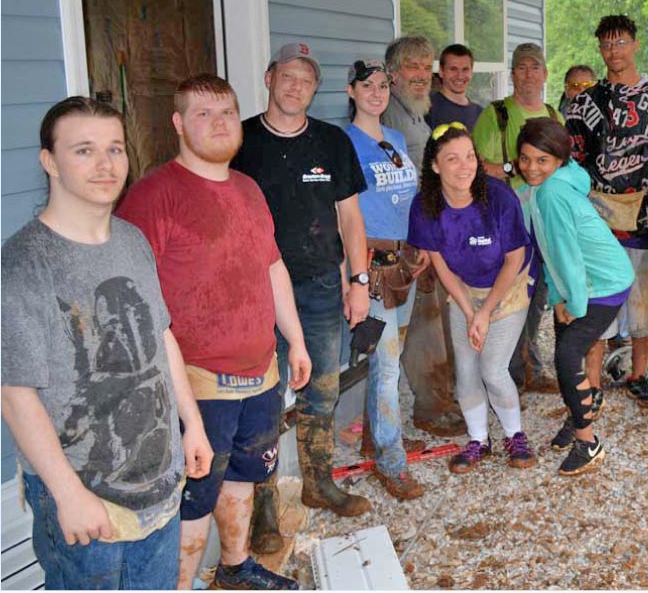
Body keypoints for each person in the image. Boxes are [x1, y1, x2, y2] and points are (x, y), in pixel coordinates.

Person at [1, 97, 212, 590]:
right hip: (85, 494)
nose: (105, 164)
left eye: (115, 149)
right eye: (84, 150)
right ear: (49, 161)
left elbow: (162, 338)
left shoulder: (132, 241)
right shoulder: (24, 265)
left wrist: (193, 424)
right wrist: (67, 493)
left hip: (158, 484)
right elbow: (14, 394)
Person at [118, 74, 311, 590]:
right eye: (203, 114)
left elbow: (272, 268)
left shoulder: (247, 189)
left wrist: (294, 339)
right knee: (193, 497)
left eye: (226, 111)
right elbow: (136, 300)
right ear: (179, 124)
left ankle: (235, 566)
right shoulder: (153, 196)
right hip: (197, 381)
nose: (219, 122)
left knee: (246, 478)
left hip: (260, 371)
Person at [231, 43, 372, 552]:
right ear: (269, 78)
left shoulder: (332, 142)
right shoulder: (240, 141)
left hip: (318, 286)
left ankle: (318, 483)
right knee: (262, 400)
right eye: (287, 76)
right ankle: (263, 509)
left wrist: (359, 282)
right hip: (254, 290)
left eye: (306, 80)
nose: (295, 87)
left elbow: (351, 217)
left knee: (324, 389)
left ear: (316, 89)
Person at [408, 122, 537, 473]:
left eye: (469, 157)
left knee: (492, 369)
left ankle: (515, 434)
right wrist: (468, 311)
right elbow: (441, 266)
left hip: (507, 286)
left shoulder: (498, 197)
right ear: (435, 166)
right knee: (466, 371)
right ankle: (479, 439)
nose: (464, 166)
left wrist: (485, 312)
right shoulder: (425, 206)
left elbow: (514, 259)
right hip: (464, 288)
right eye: (452, 159)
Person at [566, 14, 648, 411]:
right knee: (597, 299)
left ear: (634, 43)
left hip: (643, 217)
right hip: (596, 218)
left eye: (621, 42)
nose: (614, 51)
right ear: (600, 48)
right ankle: (592, 382)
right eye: (606, 44)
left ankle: (638, 373)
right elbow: (572, 162)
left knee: (642, 299)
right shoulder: (583, 102)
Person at [516, 118, 635, 475]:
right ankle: (579, 409)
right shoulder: (543, 189)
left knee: (567, 356)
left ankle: (588, 442)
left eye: (542, 160)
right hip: (578, 283)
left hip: (604, 283)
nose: (531, 168)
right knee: (564, 352)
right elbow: (550, 252)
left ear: (559, 161)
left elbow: (566, 253)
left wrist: (575, 306)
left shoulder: (552, 193)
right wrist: (557, 298)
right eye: (525, 159)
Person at [344, 59, 429, 500]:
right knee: (387, 364)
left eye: (382, 86)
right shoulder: (345, 143)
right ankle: (391, 460)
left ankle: (376, 438)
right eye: (367, 86)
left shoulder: (394, 139)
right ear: (351, 91)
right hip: (373, 266)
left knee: (387, 359)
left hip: (404, 261)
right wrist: (352, 273)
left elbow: (409, 200)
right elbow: (344, 213)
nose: (376, 93)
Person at [383, 35, 468, 439]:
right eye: (411, 67)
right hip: (406, 241)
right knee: (425, 327)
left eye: (424, 67)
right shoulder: (388, 116)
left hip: (427, 231)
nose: (420, 75)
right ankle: (431, 409)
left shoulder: (417, 111)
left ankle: (443, 398)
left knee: (437, 320)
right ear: (393, 73)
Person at [473, 42, 563, 394]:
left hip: (546, 224)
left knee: (539, 297)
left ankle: (530, 366)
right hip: (509, 225)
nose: (528, 74)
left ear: (545, 73)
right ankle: (506, 374)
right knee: (510, 298)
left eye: (534, 67)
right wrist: (517, 168)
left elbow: (564, 166)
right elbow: (476, 168)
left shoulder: (555, 117)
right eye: (521, 68)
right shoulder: (496, 115)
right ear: (512, 74)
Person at [426, 43, 484, 131]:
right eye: (453, 69)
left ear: (471, 73)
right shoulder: (428, 109)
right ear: (441, 72)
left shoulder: (480, 114)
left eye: (465, 69)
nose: (460, 76)